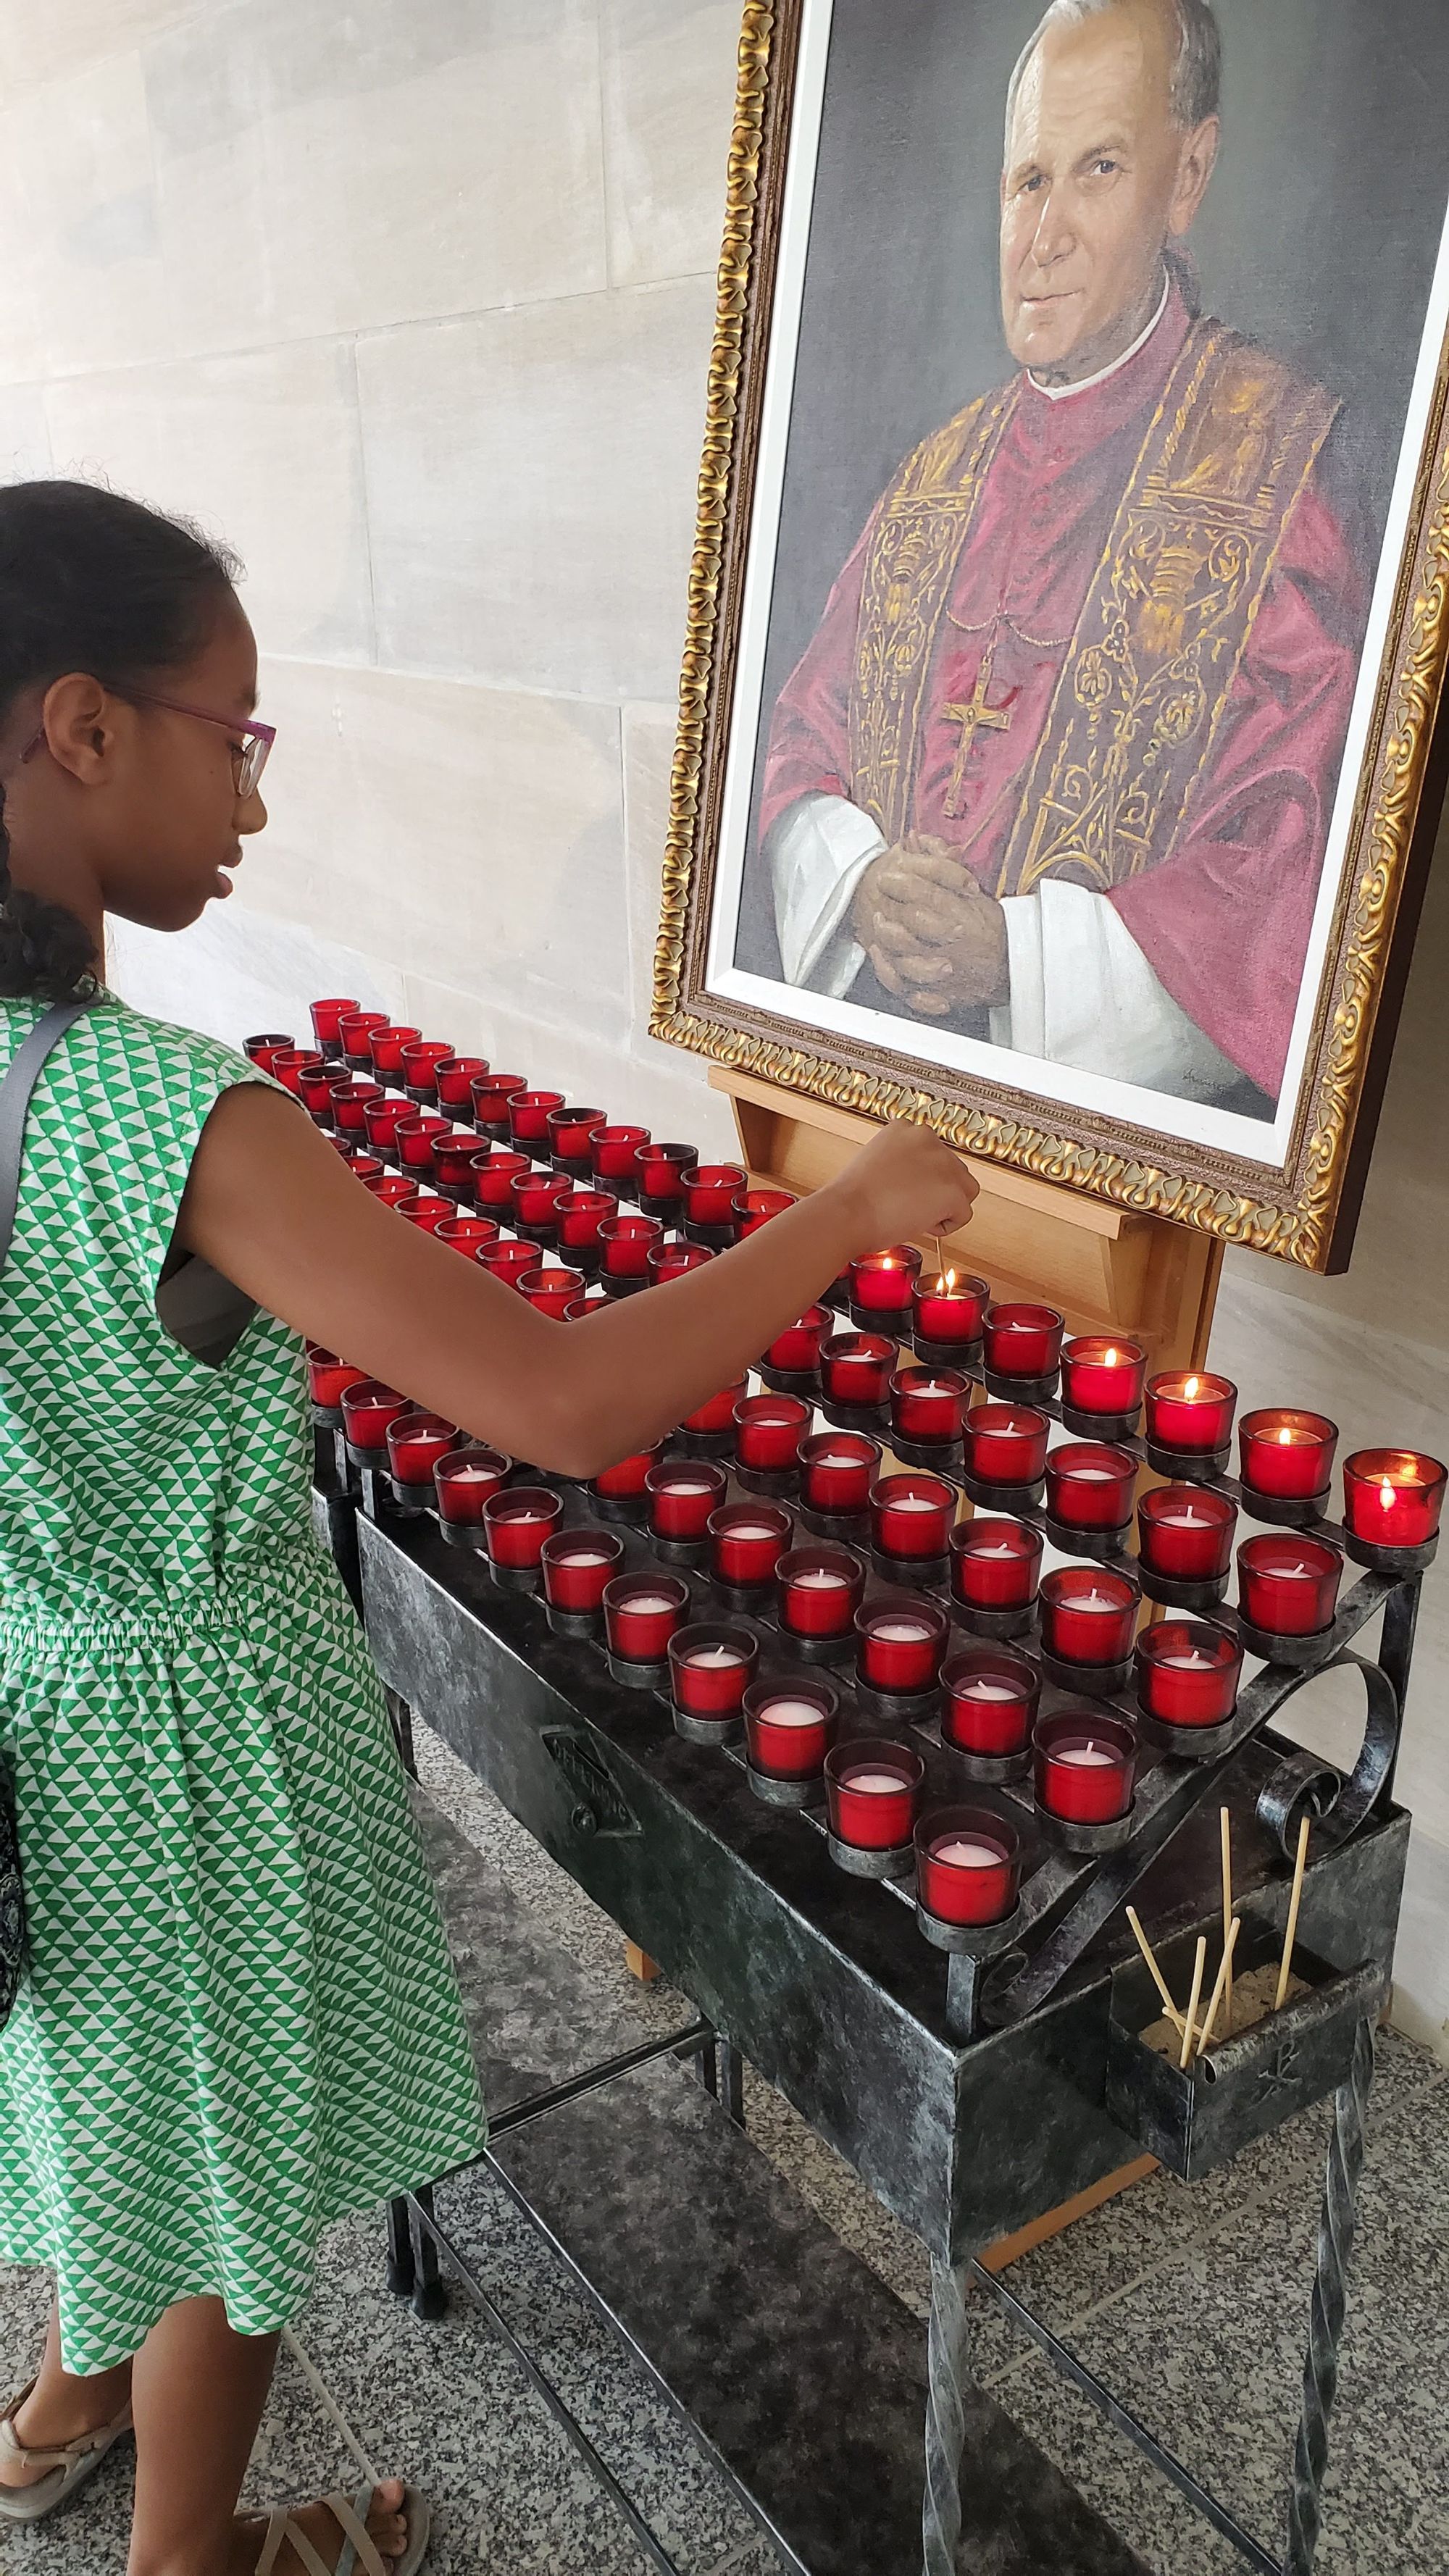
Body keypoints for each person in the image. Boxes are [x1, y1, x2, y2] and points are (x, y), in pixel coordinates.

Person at [0, 480, 977, 2576]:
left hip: (41, 1703)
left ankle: (57, 2404)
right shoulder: (168, 1115)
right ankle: (202, 2551)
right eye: (233, 731)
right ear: (81, 729)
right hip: (203, 1756)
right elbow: (561, 1398)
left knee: (103, 2088)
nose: (257, 793)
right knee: (238, 2170)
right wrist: (851, 1208)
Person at [763, 0, 1369, 1113]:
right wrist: (860, 885)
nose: (1043, 237)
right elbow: (807, 732)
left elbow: (1290, 863)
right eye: (1027, 180)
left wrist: (1020, 958)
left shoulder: (1279, 470)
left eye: (1096, 169)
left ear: (1187, 179)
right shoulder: (935, 475)